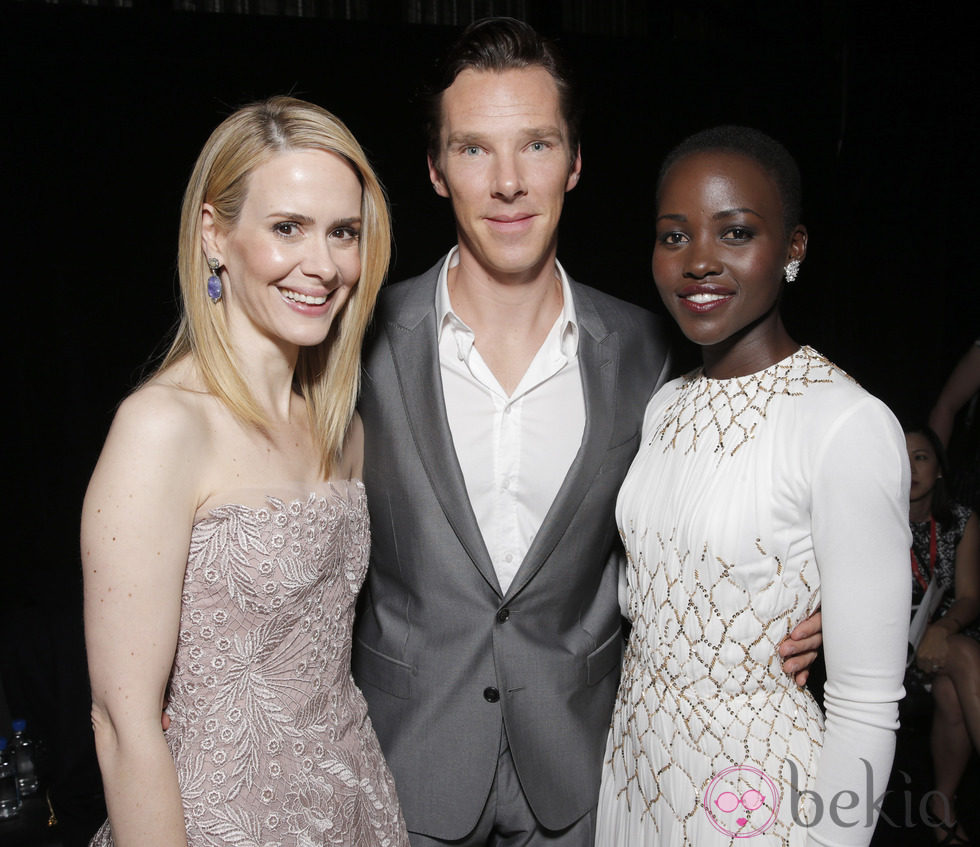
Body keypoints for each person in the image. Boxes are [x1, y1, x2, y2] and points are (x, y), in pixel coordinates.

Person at [354, 19, 821, 847]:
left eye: (535, 144)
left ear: (573, 161)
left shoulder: (648, 347)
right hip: (406, 765)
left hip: (582, 773)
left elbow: (766, 461)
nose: (508, 182)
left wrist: (832, 590)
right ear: (434, 169)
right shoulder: (361, 339)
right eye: (473, 150)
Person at [82, 96, 408, 847]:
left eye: (343, 233)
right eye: (287, 227)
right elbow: (122, 719)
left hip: (356, 809)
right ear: (214, 234)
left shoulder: (339, 430)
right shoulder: (162, 428)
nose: (322, 265)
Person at [595, 126, 911, 846]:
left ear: (793, 248)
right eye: (674, 237)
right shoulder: (665, 403)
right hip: (637, 776)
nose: (700, 260)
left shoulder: (845, 421)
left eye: (734, 232)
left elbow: (866, 703)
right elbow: (653, 588)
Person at [905, 426, 980, 846]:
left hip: (948, 634)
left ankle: (941, 805)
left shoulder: (963, 521)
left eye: (921, 457)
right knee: (967, 656)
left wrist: (942, 629)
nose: (911, 466)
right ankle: (942, 806)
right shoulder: (873, 520)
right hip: (890, 646)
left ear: (937, 472)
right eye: (902, 457)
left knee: (954, 691)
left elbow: (970, 597)